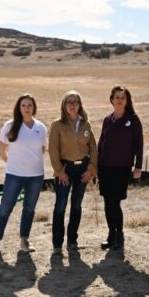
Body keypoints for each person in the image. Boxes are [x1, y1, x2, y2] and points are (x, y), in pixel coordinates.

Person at [0, 93, 47, 255]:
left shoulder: (41, 127)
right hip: (14, 175)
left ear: (34, 108)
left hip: (36, 176)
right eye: (23, 105)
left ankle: (24, 240)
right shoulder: (10, 126)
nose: (27, 108)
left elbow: (42, 149)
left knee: (29, 209)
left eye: (30, 105)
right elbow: (1, 150)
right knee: (5, 207)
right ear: (19, 108)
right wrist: (11, 163)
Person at [48, 90, 98, 254]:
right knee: (60, 206)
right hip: (65, 169)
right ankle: (57, 245)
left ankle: (72, 241)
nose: (72, 105)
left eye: (75, 102)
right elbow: (53, 150)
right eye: (69, 102)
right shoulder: (57, 125)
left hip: (82, 170)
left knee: (76, 206)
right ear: (64, 105)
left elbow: (93, 149)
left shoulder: (86, 125)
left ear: (80, 105)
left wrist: (91, 169)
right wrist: (59, 171)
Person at [97, 85, 143, 250]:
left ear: (127, 101)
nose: (119, 100)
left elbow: (139, 145)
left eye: (123, 97)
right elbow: (101, 143)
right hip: (105, 166)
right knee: (107, 202)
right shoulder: (107, 120)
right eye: (117, 97)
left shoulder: (133, 120)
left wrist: (138, 166)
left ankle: (119, 235)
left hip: (122, 167)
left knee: (115, 202)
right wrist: (95, 165)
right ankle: (111, 235)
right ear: (112, 99)